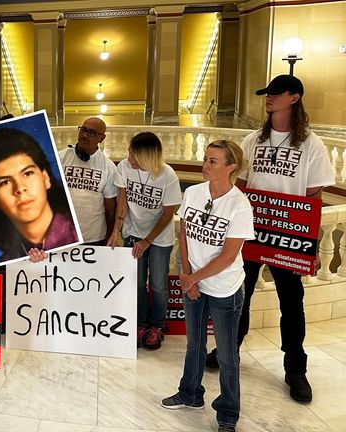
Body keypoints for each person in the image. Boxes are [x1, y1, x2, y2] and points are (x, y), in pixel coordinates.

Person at [206, 75, 335, 403]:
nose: (269, 98)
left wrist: (310, 245)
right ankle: (229, 350)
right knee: (240, 294)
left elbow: (313, 196)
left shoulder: (311, 145)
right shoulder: (252, 140)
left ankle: (295, 369)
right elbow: (242, 186)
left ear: (294, 97)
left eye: (276, 94)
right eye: (267, 94)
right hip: (252, 230)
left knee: (291, 302)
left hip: (289, 234)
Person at [161, 140, 254, 432]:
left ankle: (228, 412)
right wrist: (186, 273)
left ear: (231, 167)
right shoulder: (194, 193)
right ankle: (190, 393)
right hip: (194, 283)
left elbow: (228, 255)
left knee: (226, 354)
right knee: (194, 345)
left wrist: (193, 278)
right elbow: (184, 232)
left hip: (225, 288)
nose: (205, 165)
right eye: (205, 159)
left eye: (213, 161)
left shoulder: (239, 205)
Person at [107, 132, 182, 350]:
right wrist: (116, 232)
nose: (128, 157)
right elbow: (122, 202)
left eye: (133, 154)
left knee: (158, 284)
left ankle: (156, 327)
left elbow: (169, 213)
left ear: (147, 156)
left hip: (159, 239)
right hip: (133, 233)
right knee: (137, 282)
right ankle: (139, 324)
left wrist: (148, 241)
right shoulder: (124, 168)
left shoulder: (168, 176)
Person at [0, 127, 78, 263]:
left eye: (27, 173)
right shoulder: (5, 263)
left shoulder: (77, 242)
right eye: (5, 182)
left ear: (45, 178)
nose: (20, 188)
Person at [60, 117, 117, 245]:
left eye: (91, 133)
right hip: (62, 236)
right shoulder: (60, 158)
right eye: (83, 130)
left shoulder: (108, 167)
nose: (84, 135)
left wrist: (110, 235)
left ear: (101, 138)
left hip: (94, 238)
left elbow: (111, 208)